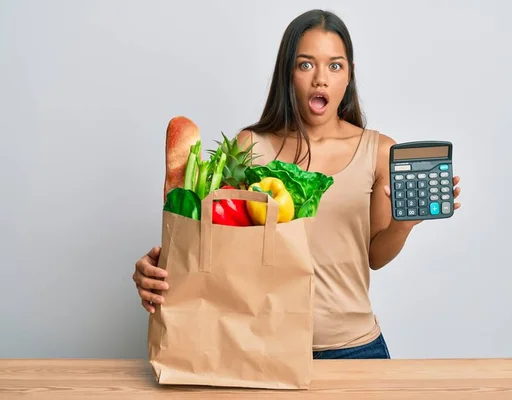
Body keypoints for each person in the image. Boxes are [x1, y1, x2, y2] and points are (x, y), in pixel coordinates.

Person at [133, 9, 461, 360]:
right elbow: (217, 252)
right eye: (306, 64)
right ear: (287, 74)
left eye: (335, 66)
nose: (321, 78)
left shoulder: (378, 150)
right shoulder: (250, 147)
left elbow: (374, 257)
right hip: (261, 348)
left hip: (354, 348)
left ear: (349, 76)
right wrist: (157, 269)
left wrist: (404, 223)